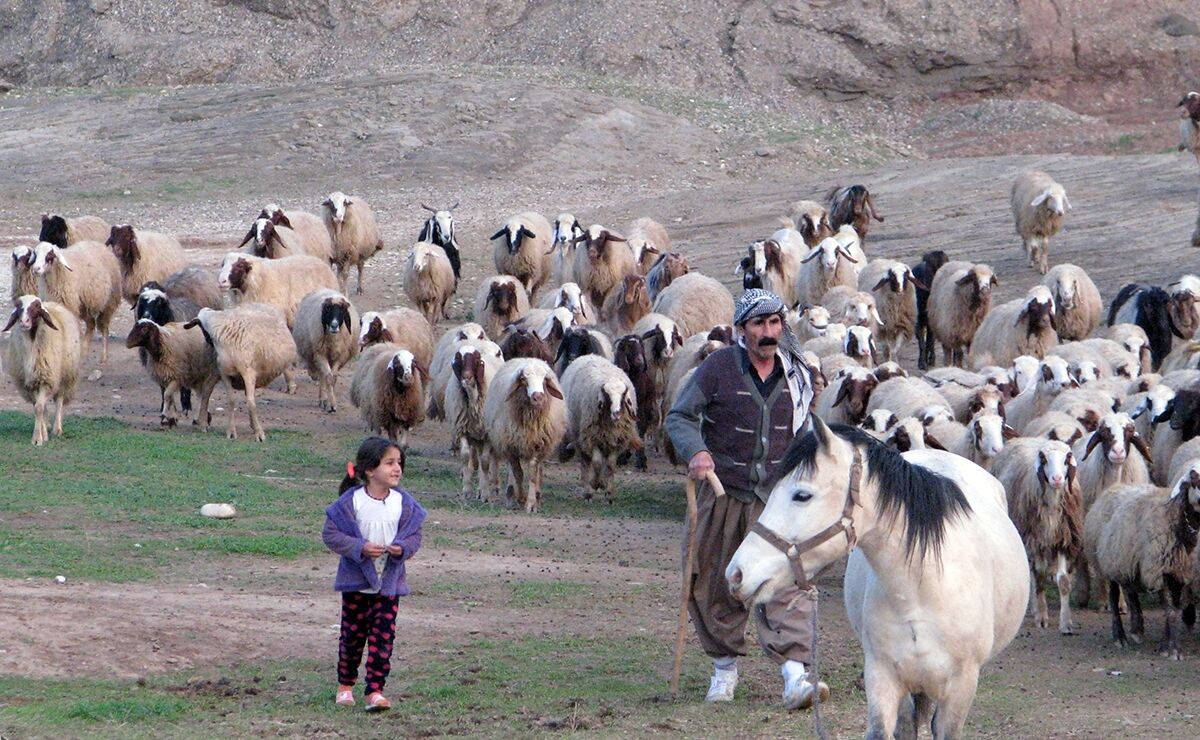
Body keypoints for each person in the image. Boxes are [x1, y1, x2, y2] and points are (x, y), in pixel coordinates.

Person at [665, 288, 829, 709]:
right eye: (759, 324)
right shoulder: (718, 368)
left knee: (788, 581)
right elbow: (680, 417)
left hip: (776, 500)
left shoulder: (797, 374)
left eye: (775, 323)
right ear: (742, 330)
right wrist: (697, 452)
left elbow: (808, 429)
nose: (768, 332)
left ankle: (795, 677)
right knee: (717, 579)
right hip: (723, 492)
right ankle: (724, 671)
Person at [322, 436, 426, 712]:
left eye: (399, 463)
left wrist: (402, 548)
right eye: (389, 463)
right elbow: (331, 534)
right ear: (370, 470)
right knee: (352, 637)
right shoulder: (351, 502)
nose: (397, 469)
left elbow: (415, 537)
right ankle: (345, 685)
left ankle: (375, 691)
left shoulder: (404, 503)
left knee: (383, 639)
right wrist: (359, 547)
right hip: (356, 584)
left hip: (389, 586)